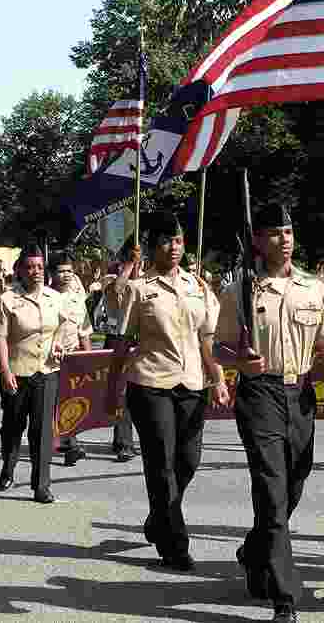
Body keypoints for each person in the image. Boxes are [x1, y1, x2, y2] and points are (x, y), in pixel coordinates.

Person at [214, 203, 324, 623]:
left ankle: (255, 552)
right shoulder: (241, 290)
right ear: (257, 240)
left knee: (294, 482)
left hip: (300, 393)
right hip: (260, 393)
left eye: (288, 232)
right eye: (273, 233)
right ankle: (285, 595)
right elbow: (218, 347)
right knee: (271, 488)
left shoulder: (314, 289)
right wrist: (240, 361)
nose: (283, 240)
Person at [110, 212, 229, 569]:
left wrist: (218, 378)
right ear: (151, 247)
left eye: (178, 240)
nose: (174, 247)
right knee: (161, 464)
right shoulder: (138, 289)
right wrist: (112, 388)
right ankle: (175, 546)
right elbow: (122, 342)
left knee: (188, 460)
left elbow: (207, 339)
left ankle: (159, 518)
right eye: (166, 241)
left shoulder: (198, 286)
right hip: (151, 384)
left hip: (191, 383)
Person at [0, 243, 64, 504]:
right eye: (31, 267)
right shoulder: (8, 300)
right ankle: (8, 466)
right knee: (13, 426)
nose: (36, 272)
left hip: (47, 371)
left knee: (42, 430)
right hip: (17, 372)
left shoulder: (54, 298)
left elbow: (61, 327)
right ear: (21, 270)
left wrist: (59, 345)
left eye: (40, 267)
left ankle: (41, 485)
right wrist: (5, 369)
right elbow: (0, 336)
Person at [52, 254, 93, 466]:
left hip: (73, 357)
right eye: (61, 271)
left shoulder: (78, 299)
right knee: (56, 403)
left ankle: (70, 445)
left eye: (69, 271)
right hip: (50, 359)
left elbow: (84, 331)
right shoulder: (46, 297)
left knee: (72, 402)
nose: (66, 275)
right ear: (52, 274)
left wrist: (89, 358)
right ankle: (68, 444)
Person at [101, 258, 137, 462]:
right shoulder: (111, 279)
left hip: (138, 341)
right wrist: (130, 266)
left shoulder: (143, 279)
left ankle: (122, 439)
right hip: (118, 339)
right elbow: (116, 290)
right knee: (121, 393)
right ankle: (124, 443)